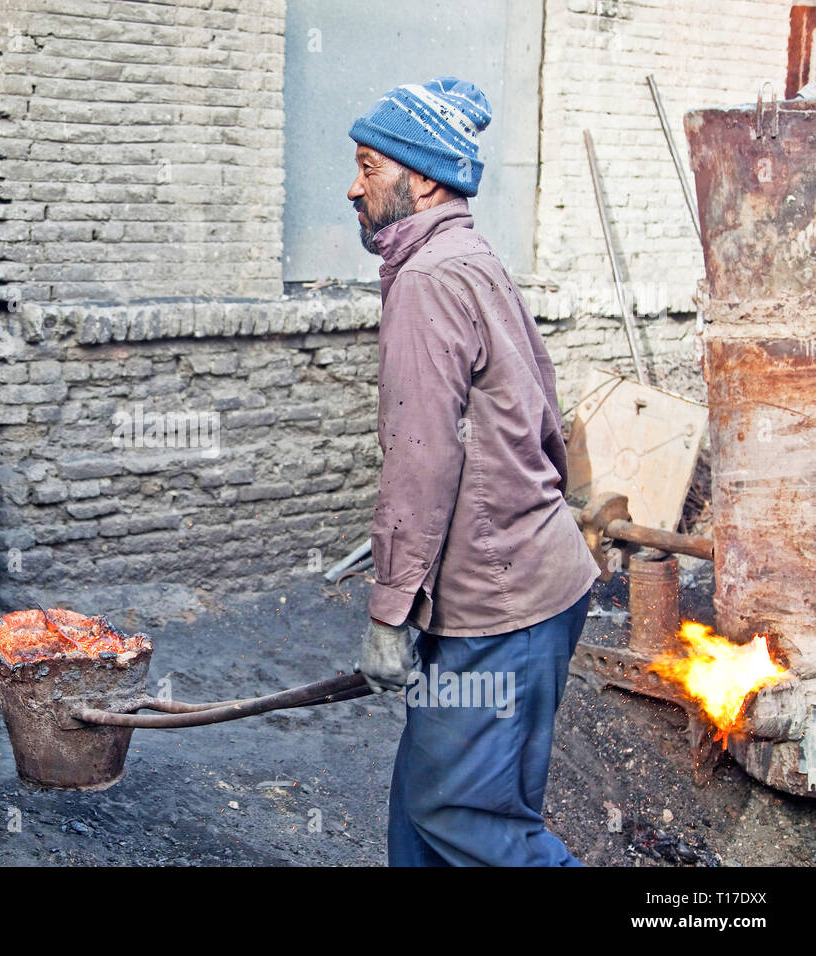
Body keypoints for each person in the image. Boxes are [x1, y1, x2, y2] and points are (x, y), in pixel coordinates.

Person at [347, 78, 600, 865]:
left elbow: (422, 461)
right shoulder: (469, 257)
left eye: (368, 166)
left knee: (465, 819)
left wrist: (390, 613)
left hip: (502, 608)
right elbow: (544, 412)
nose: (353, 186)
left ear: (421, 177)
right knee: (422, 822)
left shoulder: (428, 279)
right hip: (532, 588)